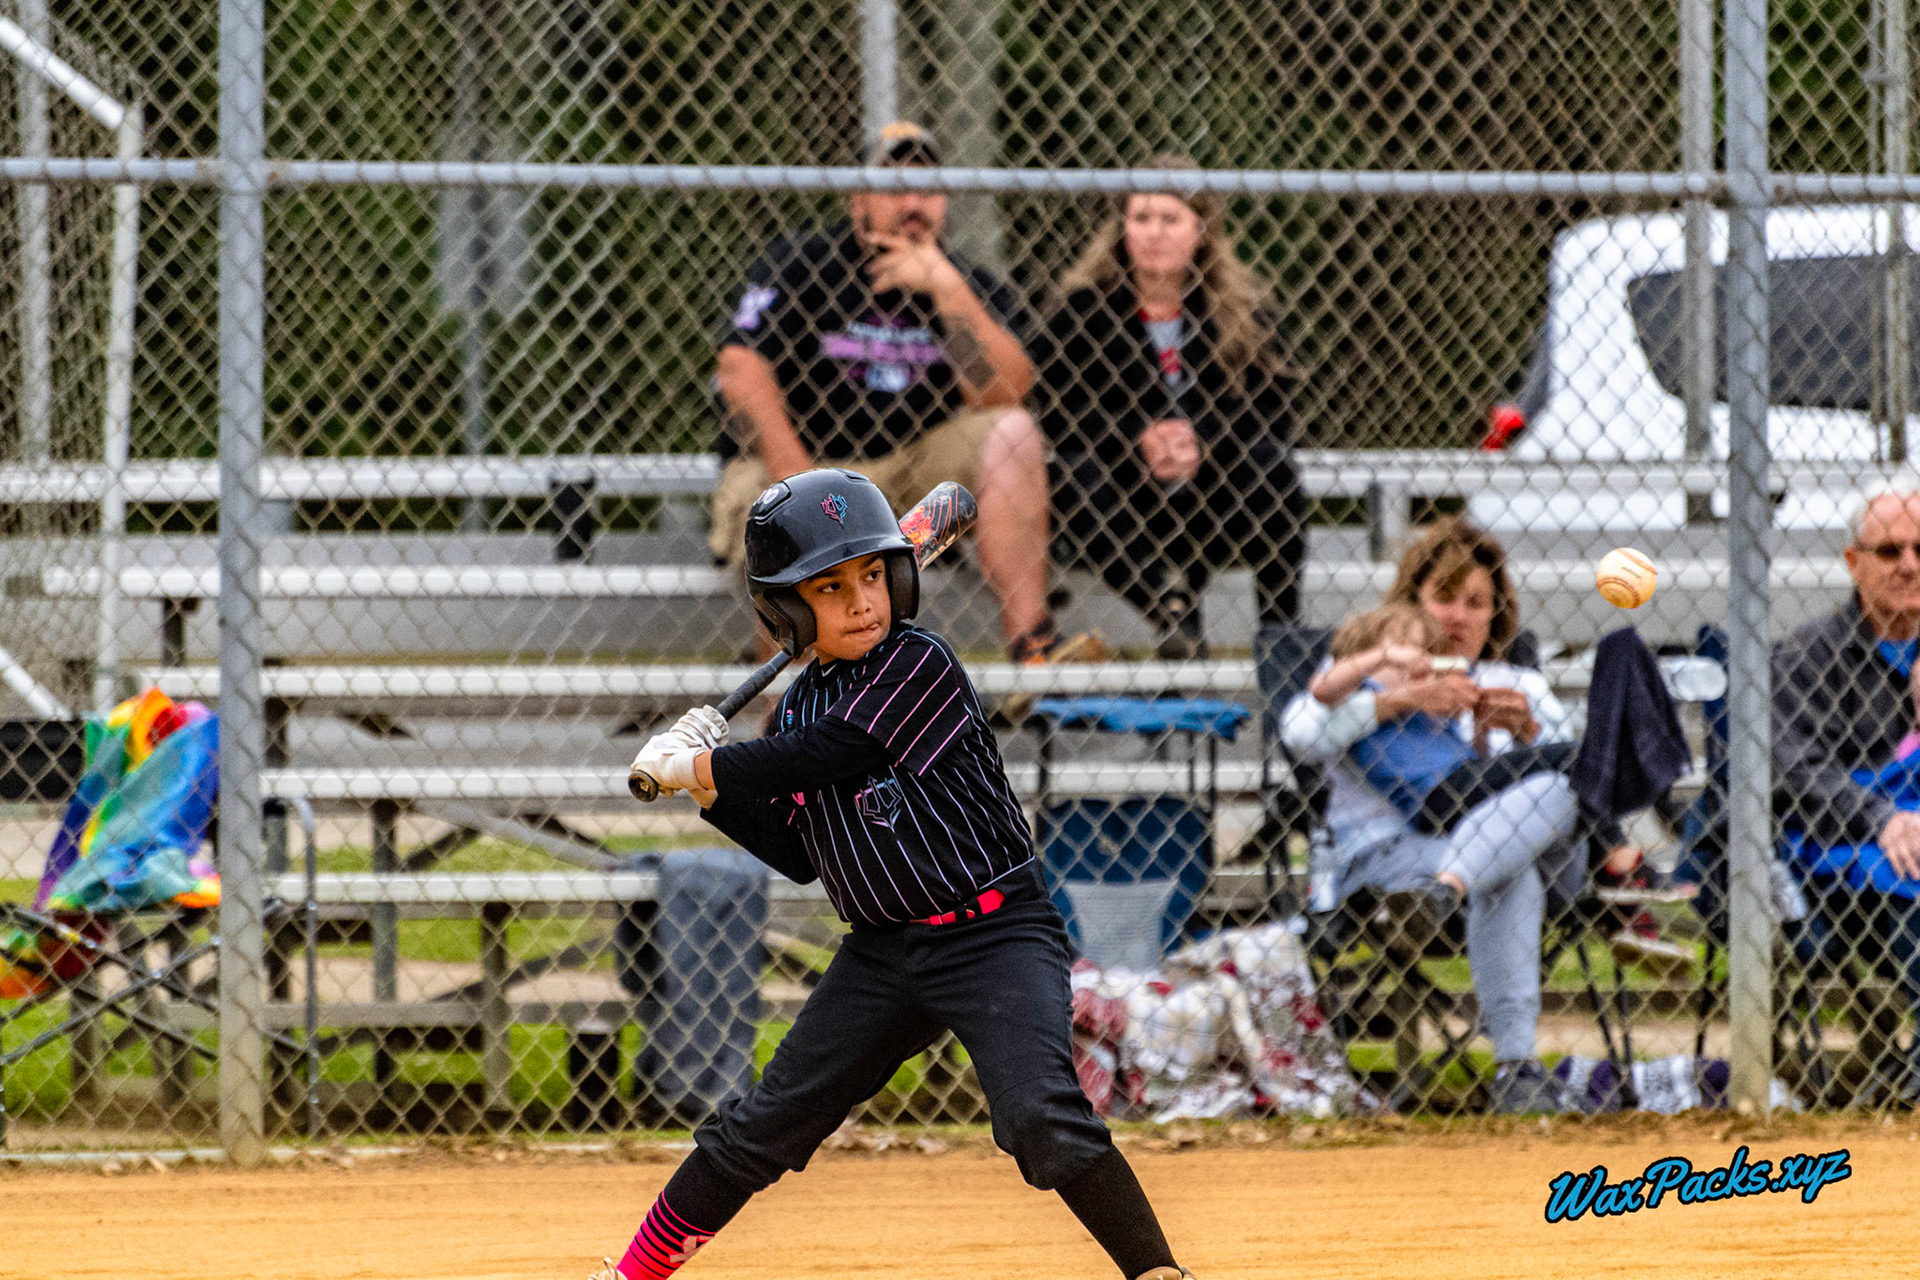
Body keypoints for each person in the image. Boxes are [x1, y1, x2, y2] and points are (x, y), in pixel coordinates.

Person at [598, 469, 1194, 1280]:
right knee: (762, 1126)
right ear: (786, 609)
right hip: (881, 954)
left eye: (873, 575)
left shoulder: (918, 665)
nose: (861, 602)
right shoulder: (796, 707)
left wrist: (710, 761)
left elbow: (842, 750)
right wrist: (706, 790)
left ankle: (1159, 1273)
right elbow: (801, 856)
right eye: (831, 587)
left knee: (1039, 1117)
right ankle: (630, 1273)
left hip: (993, 933)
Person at [1282, 518, 1655, 1114]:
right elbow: (1298, 730)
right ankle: (1516, 1070)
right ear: (1413, 605)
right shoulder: (1374, 671)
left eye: (1476, 603)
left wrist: (1526, 730)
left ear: (1495, 613)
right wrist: (1400, 697)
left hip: (1539, 862)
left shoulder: (1521, 682)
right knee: (1511, 866)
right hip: (1396, 860)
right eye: (1444, 598)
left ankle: (1449, 888)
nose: (1458, 617)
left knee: (1561, 782)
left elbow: (1577, 785)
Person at [712, 122, 1088, 663]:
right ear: (857, 198)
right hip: (805, 465)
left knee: (1014, 433)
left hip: (909, 484)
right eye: (893, 188)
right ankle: (792, 716)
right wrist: (803, 490)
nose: (913, 203)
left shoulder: (963, 281)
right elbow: (739, 368)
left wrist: (946, 290)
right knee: (773, 514)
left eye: (928, 189)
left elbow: (1005, 394)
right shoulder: (804, 262)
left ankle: (1034, 648)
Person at [1033, 156, 1306, 659]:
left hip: (1215, 491)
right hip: (1125, 496)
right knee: (1072, 473)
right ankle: (1170, 608)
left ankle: (1281, 637)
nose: (1154, 233)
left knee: (1277, 471)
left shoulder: (1245, 309)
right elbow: (1056, 410)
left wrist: (1203, 441)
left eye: (1170, 218)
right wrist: (1136, 436)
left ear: (1201, 230)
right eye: (1141, 218)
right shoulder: (1082, 310)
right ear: (1121, 230)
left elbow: (1277, 412)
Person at [1769, 479, 1920, 1098]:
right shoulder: (1805, 656)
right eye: (1889, 552)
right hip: (1846, 846)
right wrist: (1882, 815)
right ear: (1853, 562)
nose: (1910, 565)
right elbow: (1794, 772)